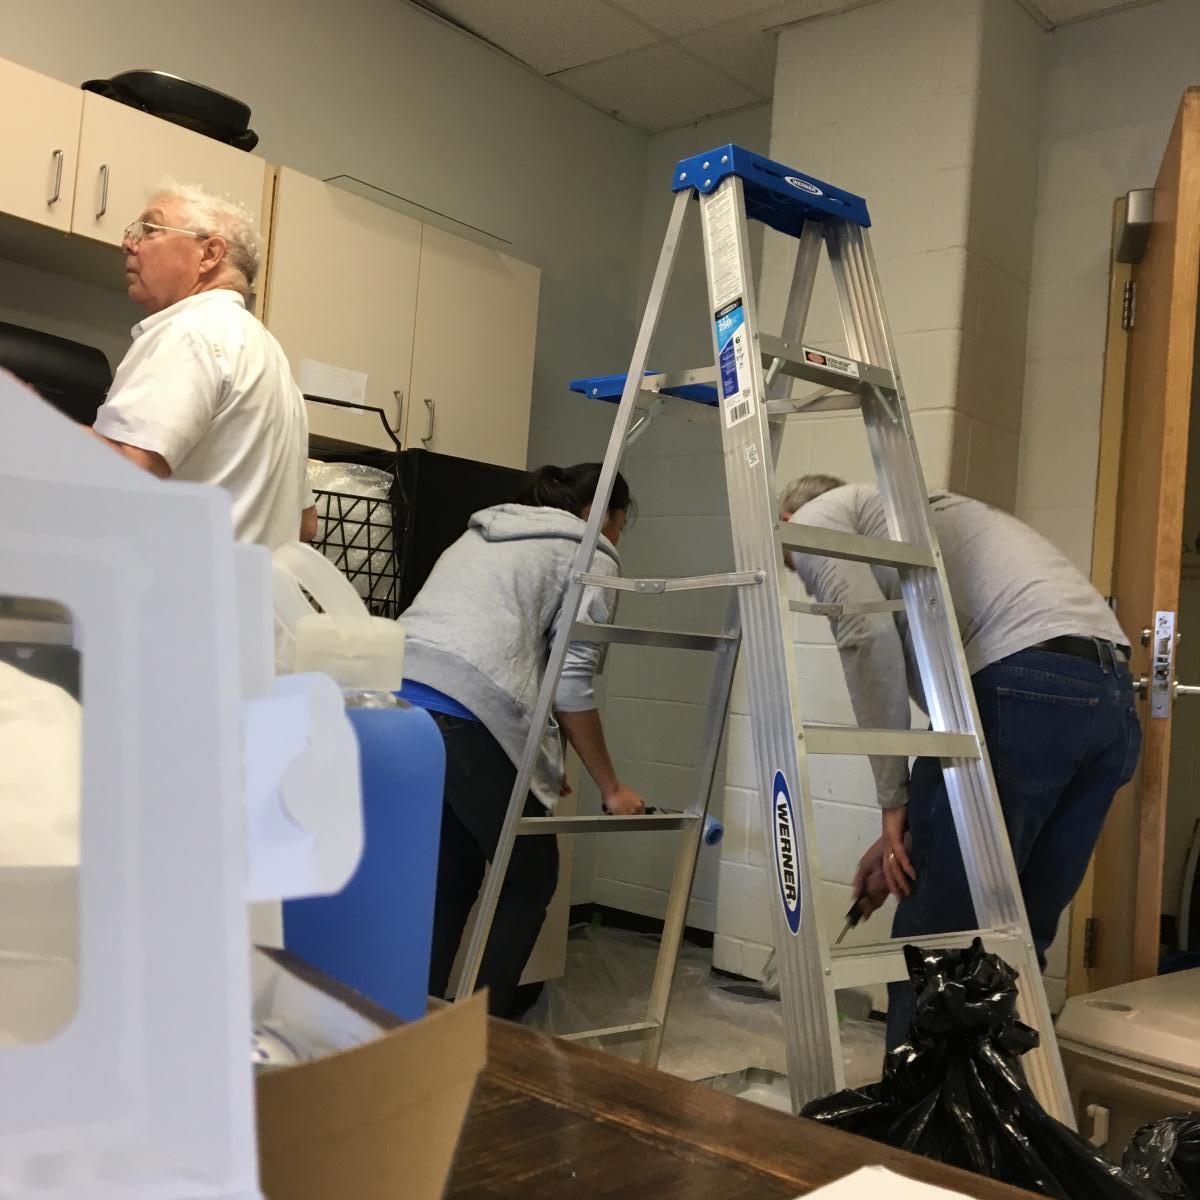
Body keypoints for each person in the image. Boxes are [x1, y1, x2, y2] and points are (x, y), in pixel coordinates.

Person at [779, 475, 1142, 1047]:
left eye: (795, 565)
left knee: (937, 945)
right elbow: (975, 731)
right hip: (1111, 697)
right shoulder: (907, 520)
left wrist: (893, 802)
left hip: (1023, 686)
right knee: (1015, 938)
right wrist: (908, 832)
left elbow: (864, 633)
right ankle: (987, 1099)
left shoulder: (811, 520)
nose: (802, 571)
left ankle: (918, 1108)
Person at [400, 463, 648, 1017]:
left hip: (397, 699)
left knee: (453, 871)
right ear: (601, 514)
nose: (617, 537)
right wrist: (611, 788)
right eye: (621, 524)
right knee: (531, 876)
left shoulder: (486, 530)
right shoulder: (592, 552)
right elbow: (569, 683)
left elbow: (506, 657)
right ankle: (482, 1034)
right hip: (466, 710)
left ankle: (413, 1030)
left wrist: (535, 762)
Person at [91, 181, 314, 549]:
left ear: (209, 253)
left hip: (172, 586)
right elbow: (306, 523)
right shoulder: (274, 361)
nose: (129, 243)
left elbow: (121, 473)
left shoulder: (190, 333)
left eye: (150, 229)